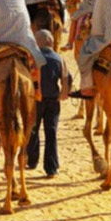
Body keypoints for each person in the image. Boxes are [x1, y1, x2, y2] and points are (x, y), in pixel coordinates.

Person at [27, 29, 69, 178]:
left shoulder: (31, 58)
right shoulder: (59, 59)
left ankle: (31, 161)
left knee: (33, 130)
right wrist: (62, 94)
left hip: (35, 101)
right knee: (51, 133)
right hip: (53, 101)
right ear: (50, 42)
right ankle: (51, 169)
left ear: (37, 42)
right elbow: (66, 79)